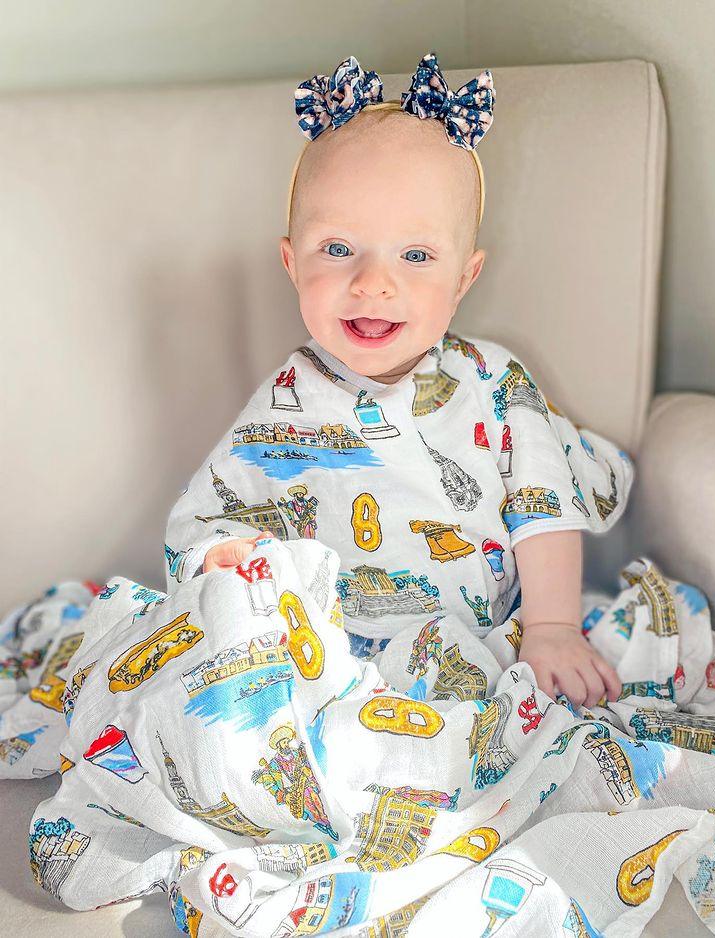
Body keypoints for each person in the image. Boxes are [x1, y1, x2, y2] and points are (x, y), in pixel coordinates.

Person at [164, 52, 632, 711]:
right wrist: (222, 555)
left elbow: (543, 505)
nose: (374, 283)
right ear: (292, 264)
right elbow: (211, 515)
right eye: (337, 248)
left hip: (483, 645)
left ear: (464, 278)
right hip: (321, 665)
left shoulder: (492, 383)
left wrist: (552, 629)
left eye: (415, 255)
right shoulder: (283, 403)